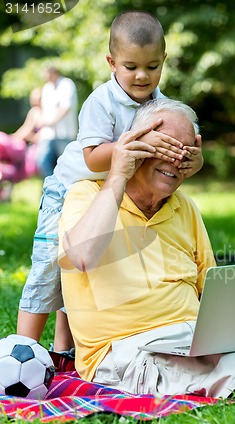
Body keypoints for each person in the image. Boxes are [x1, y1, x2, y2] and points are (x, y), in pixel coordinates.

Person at [58, 98, 235, 404]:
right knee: (231, 368)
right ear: (135, 145)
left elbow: (210, 291)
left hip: (193, 338)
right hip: (127, 352)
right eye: (166, 147)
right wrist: (119, 174)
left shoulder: (184, 207)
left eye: (186, 151)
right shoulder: (87, 194)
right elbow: (82, 257)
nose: (177, 160)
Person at [16, 11, 203, 353]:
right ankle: (21, 350)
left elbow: (186, 147)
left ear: (164, 61)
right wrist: (131, 146)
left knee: (83, 272)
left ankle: (63, 350)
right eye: (131, 67)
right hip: (68, 189)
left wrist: (195, 159)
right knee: (49, 266)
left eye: (152, 66)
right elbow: (91, 157)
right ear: (111, 63)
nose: (142, 75)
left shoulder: (163, 106)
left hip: (110, 194)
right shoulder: (101, 102)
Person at [0, 87, 42, 201]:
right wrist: (13, 138)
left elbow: (28, 131)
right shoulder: (34, 112)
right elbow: (25, 129)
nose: (34, 100)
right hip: (36, 144)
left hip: (43, 146)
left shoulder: (45, 111)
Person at [36, 66, 78, 179]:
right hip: (48, 134)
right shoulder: (47, 88)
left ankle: (65, 190)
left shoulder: (67, 84)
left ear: (53, 72)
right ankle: (53, 186)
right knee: (42, 161)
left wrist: (50, 121)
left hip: (65, 133)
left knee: (66, 165)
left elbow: (66, 107)